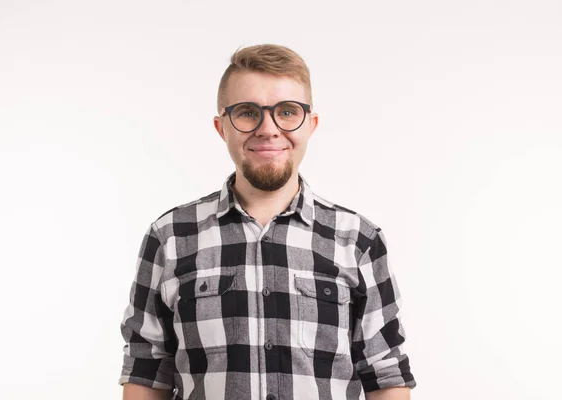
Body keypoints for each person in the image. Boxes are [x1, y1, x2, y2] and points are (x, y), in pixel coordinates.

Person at [119, 44, 416, 400]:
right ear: (221, 127)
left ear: (311, 124)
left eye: (287, 112)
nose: (268, 129)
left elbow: (384, 373)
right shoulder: (170, 236)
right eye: (247, 112)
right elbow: (146, 369)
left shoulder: (358, 240)